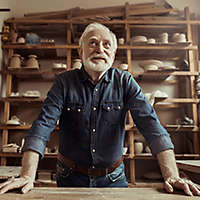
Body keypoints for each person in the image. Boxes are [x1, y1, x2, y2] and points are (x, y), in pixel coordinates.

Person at [0, 22, 200, 196]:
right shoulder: (64, 82)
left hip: (114, 178)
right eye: (93, 43)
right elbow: (42, 126)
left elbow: (151, 126)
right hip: (70, 177)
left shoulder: (125, 82)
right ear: (81, 52)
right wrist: (26, 175)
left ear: (113, 54)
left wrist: (172, 176)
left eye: (106, 45)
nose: (99, 49)